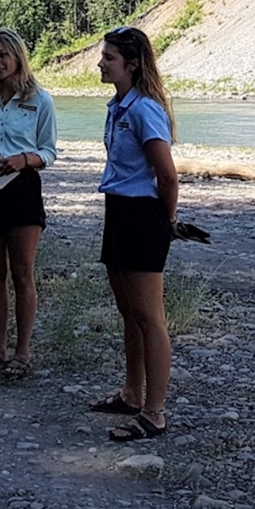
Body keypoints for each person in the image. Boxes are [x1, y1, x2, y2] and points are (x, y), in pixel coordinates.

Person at [90, 25, 178, 442]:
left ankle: (155, 412)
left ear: (132, 64)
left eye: (109, 58)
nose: (101, 63)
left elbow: (167, 175)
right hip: (119, 210)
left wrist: (167, 222)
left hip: (143, 214)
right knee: (129, 312)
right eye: (103, 56)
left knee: (149, 316)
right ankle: (132, 392)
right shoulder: (118, 106)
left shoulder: (145, 110)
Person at [0, 29, 57, 382]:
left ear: (18, 57)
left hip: (22, 189)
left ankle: (23, 352)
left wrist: (24, 159)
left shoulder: (40, 101)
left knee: (22, 273)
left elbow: (50, 152)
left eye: (4, 55)